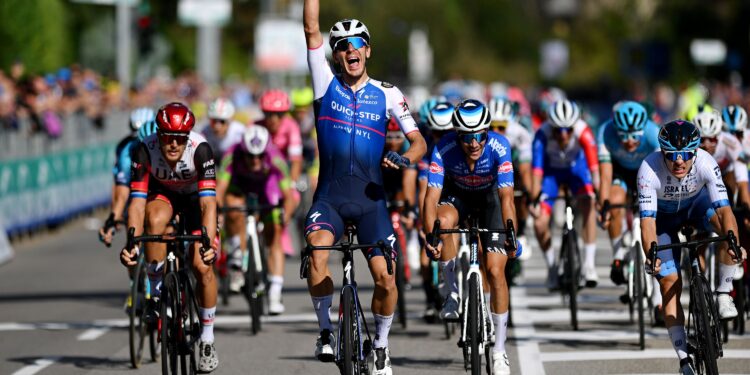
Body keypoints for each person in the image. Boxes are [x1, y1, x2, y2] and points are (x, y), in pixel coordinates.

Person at [302, 1, 427, 373]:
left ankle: (382, 345)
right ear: (336, 55)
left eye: (357, 42)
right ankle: (326, 331)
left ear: (368, 49)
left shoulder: (388, 94)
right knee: (317, 253)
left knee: (386, 280)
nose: (350, 49)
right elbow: (310, 28)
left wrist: (406, 158)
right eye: (341, 45)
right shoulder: (324, 84)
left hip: (372, 202)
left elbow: (418, 141)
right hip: (331, 199)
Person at [637, 119, 747, 375]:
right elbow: (648, 224)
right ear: (662, 152)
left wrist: (734, 242)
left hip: (695, 207)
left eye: (686, 154)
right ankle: (684, 356)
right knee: (669, 282)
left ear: (695, 152)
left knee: (725, 232)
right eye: (672, 155)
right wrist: (651, 254)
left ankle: (723, 292)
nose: (680, 161)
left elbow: (725, 210)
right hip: (663, 220)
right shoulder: (648, 169)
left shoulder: (707, 162)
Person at [119, 102, 220, 373]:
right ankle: (156, 291)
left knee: (202, 266)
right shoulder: (143, 149)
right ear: (159, 135)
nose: (173, 145)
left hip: (195, 199)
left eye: (179, 138)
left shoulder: (201, 149)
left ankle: (207, 339)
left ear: (187, 136)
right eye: (167, 137)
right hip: (164, 196)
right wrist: (131, 243)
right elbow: (137, 204)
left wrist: (208, 242)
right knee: (154, 220)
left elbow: (208, 204)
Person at [422, 99, 519, 375]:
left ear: (486, 132)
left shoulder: (500, 146)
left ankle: (499, 351)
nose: (474, 143)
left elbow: (507, 198)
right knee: (443, 222)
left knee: (496, 271)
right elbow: (431, 199)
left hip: (490, 200)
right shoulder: (444, 148)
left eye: (479, 136)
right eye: (467, 137)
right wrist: (432, 237)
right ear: (457, 135)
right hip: (459, 197)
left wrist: (511, 233)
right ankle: (451, 292)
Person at [215, 125, 298, 314]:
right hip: (240, 188)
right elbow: (220, 189)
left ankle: (275, 292)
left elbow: (289, 196)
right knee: (233, 208)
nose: (255, 160)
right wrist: (219, 212)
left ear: (265, 152)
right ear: (242, 151)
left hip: (266, 189)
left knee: (274, 232)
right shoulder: (232, 154)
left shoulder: (276, 158)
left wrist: (285, 216)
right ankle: (237, 258)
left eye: (259, 156)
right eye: (250, 156)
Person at [530, 99, 600, 289]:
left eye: (568, 130)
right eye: (558, 130)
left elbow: (594, 169)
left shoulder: (583, 131)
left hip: (577, 170)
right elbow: (536, 171)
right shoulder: (542, 134)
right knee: (539, 221)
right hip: (551, 175)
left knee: (589, 203)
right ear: (550, 126)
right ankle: (552, 267)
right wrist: (535, 199)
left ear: (574, 126)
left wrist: (599, 193)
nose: (563, 135)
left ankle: (589, 264)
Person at [416, 101, 453, 321]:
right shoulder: (430, 150)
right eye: (436, 132)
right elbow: (424, 192)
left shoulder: (462, 144)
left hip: (458, 195)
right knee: (424, 257)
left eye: (446, 131)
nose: (441, 136)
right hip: (437, 195)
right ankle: (431, 300)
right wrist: (425, 225)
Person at [99, 107, 157, 246]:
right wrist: (113, 219)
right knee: (132, 222)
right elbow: (121, 191)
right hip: (138, 187)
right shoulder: (127, 150)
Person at [488, 96, 533, 258]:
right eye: (492, 127)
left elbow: (525, 169)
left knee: (520, 192)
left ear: (509, 124)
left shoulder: (520, 133)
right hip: (490, 169)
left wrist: (529, 193)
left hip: (514, 167)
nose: (497, 132)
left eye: (501, 127)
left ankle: (521, 230)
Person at [200, 97, 245, 164]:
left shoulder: (240, 133)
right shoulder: (205, 133)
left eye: (222, 121)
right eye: (214, 121)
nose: (217, 126)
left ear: (230, 121)